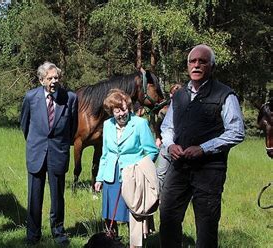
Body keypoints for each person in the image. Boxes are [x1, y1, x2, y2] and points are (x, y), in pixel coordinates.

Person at [159, 44, 245, 247]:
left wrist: (204, 148)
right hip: (178, 168)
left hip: (209, 171)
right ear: (188, 65)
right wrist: (170, 145)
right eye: (192, 61)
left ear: (212, 67)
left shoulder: (225, 94)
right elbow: (167, 127)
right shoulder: (179, 95)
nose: (196, 65)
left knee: (206, 227)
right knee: (168, 218)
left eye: (202, 61)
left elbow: (236, 131)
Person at [20, 61, 78, 245]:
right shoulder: (30, 97)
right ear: (41, 80)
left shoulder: (70, 98)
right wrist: (36, 143)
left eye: (56, 77)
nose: (54, 81)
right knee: (34, 196)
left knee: (57, 197)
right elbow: (25, 125)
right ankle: (33, 234)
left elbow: (73, 127)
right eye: (50, 78)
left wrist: (61, 144)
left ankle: (58, 232)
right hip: (36, 153)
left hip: (58, 153)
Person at [94, 89, 158, 247]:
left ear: (129, 108)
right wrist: (99, 177)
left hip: (132, 177)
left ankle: (135, 244)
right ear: (111, 111)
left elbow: (152, 151)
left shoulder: (140, 124)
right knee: (110, 216)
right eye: (117, 111)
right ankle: (111, 243)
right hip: (111, 176)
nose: (121, 114)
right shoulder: (107, 125)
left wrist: (140, 168)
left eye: (124, 109)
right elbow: (105, 153)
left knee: (132, 214)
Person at [155, 83, 182, 191]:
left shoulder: (187, 107)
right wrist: (158, 138)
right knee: (160, 173)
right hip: (166, 144)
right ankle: (159, 197)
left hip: (181, 145)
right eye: (171, 94)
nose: (172, 96)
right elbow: (158, 125)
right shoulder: (164, 110)